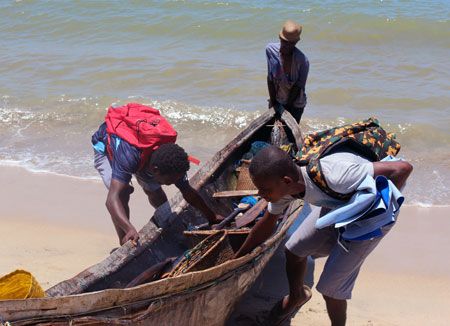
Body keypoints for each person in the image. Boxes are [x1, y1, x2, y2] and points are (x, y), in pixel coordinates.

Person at [235, 145, 413, 325]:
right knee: (294, 251)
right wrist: (237, 259)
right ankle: (297, 296)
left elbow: (402, 168)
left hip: (370, 220)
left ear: (287, 180)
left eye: (264, 190)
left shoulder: (337, 175)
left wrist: (370, 212)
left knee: (330, 289)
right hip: (338, 203)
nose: (260, 194)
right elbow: (266, 224)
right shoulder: (282, 190)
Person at [92, 104, 222, 246]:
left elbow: (187, 191)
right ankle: (124, 240)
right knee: (121, 194)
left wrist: (212, 216)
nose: (173, 183)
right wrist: (130, 228)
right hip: (107, 146)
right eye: (170, 181)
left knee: (153, 190)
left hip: (142, 154)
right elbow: (111, 200)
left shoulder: (173, 161)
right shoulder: (128, 157)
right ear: (155, 170)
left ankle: (166, 222)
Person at [266, 20, 309, 123]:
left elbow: (298, 86)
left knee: (289, 135)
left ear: (296, 42)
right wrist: (273, 102)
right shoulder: (270, 50)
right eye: (284, 41)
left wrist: (286, 110)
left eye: (291, 43)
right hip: (277, 99)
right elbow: (270, 78)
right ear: (280, 38)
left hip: (295, 104)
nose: (286, 46)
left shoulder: (303, 61)